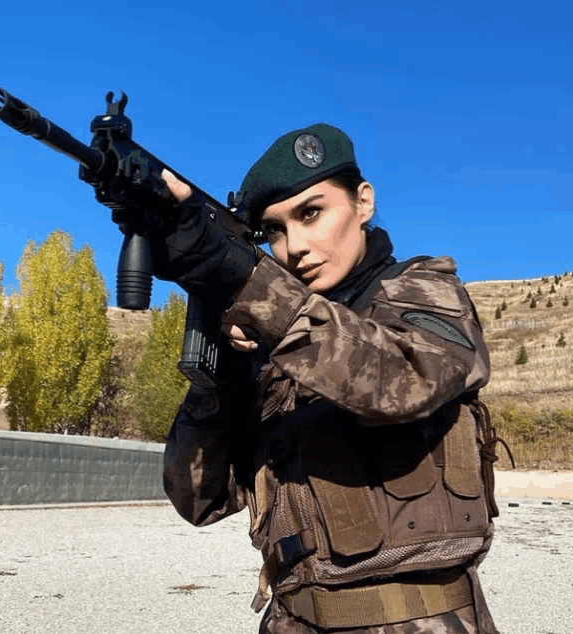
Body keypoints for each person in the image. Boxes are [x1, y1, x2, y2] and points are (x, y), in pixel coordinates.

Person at [154, 123, 509, 633]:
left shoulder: (424, 292)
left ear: (363, 203)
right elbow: (199, 501)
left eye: (311, 213)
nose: (294, 246)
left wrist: (250, 286)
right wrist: (224, 374)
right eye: (274, 230)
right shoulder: (275, 347)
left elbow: (407, 379)